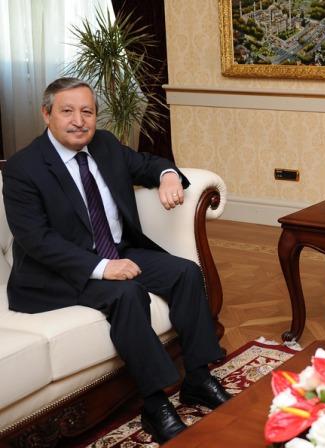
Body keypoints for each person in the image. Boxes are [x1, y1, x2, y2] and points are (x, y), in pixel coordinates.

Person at [2, 78, 231, 443]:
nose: (79, 121)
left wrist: (168, 176)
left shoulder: (104, 145)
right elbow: (37, 240)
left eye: (87, 111)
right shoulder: (23, 167)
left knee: (185, 273)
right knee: (126, 294)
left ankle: (198, 379)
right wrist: (104, 268)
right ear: (46, 114)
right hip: (55, 273)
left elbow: (149, 164)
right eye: (67, 111)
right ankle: (155, 404)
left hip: (115, 250)